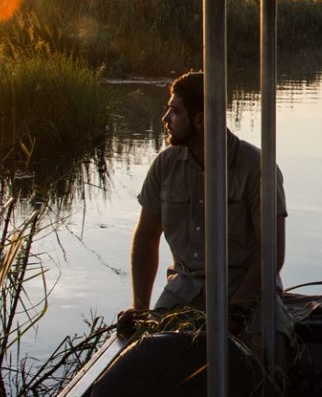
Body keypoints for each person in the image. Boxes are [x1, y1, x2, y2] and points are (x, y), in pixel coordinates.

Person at [117, 70, 293, 354]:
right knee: (145, 358)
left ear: (201, 119)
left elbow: (271, 253)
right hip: (183, 290)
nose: (165, 119)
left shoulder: (256, 167)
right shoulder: (165, 165)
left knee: (265, 352)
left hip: (248, 294)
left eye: (175, 111)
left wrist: (234, 312)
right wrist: (140, 308)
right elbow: (146, 237)